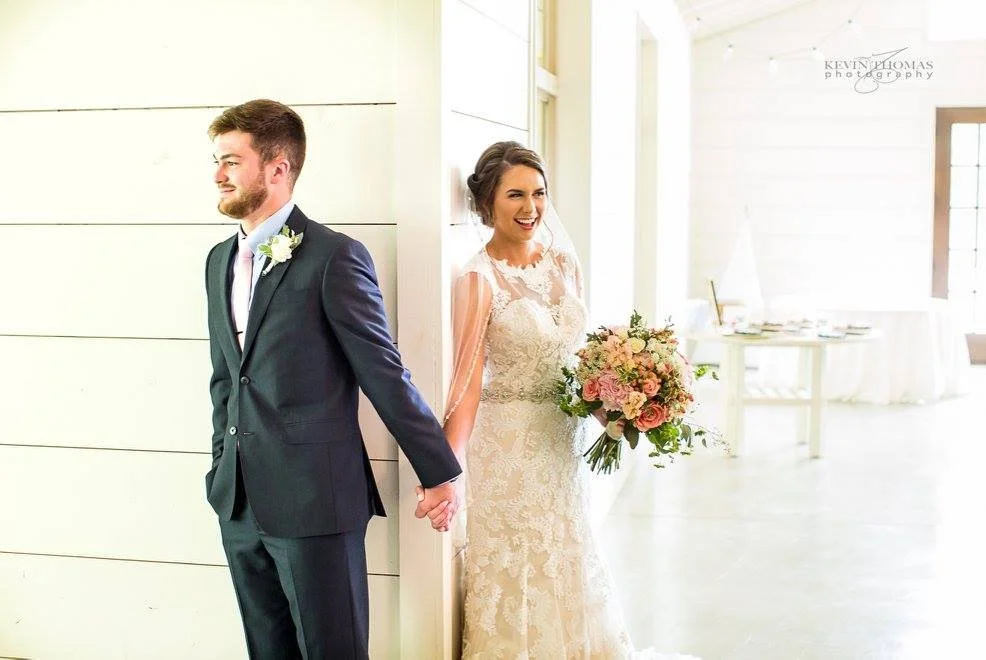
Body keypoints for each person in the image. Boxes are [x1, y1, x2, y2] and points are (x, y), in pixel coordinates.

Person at [203, 99, 461, 660]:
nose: (218, 174)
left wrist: (437, 470)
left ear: (278, 168)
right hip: (239, 502)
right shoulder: (217, 260)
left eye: (231, 161)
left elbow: (382, 372)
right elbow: (225, 379)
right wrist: (220, 465)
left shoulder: (334, 257)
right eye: (216, 161)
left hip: (316, 501)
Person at [443, 141, 698, 659]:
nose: (530, 207)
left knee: (570, 550)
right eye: (515, 194)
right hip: (508, 446)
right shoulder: (477, 278)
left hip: (562, 439)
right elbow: (467, 383)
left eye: (538, 193)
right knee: (518, 560)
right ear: (488, 201)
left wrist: (615, 401)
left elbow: (578, 361)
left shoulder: (563, 264)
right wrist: (446, 470)